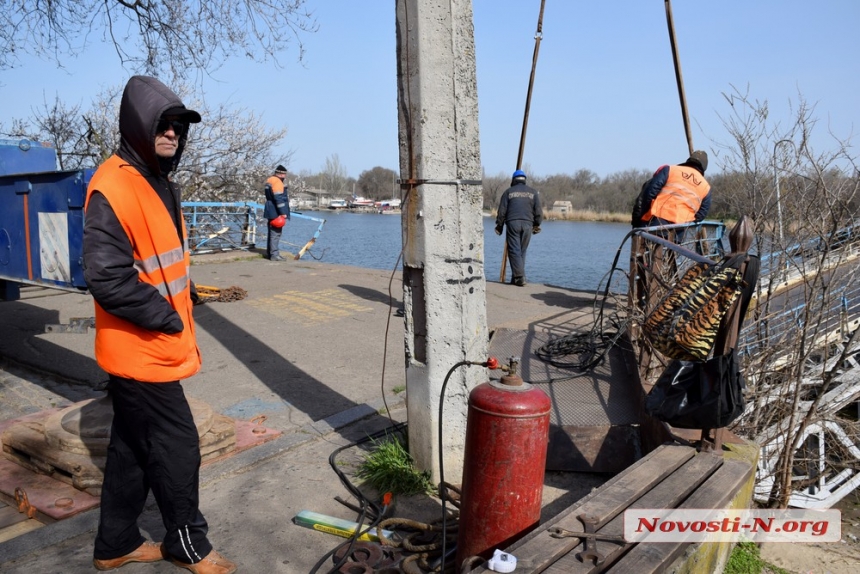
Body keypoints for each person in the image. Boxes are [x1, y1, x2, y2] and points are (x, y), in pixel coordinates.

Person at [83, 75, 236, 574]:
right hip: (141, 348)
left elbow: (157, 261)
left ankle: (115, 543)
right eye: (162, 125)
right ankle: (187, 545)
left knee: (131, 450)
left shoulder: (157, 180)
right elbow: (105, 276)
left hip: (156, 344)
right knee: (176, 447)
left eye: (178, 127)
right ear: (136, 127)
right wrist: (166, 316)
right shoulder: (113, 184)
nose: (172, 134)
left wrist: (182, 295)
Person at [631, 149, 712, 235]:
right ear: (704, 167)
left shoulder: (670, 169)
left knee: (653, 246)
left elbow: (649, 193)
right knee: (673, 247)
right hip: (680, 227)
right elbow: (701, 214)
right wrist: (687, 220)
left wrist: (640, 216)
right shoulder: (706, 187)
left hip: (658, 220)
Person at [495, 169, 542, 286]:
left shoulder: (508, 192)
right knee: (521, 251)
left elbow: (502, 211)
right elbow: (539, 212)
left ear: (513, 180)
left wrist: (499, 226)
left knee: (514, 250)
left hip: (512, 223)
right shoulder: (533, 193)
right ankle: (517, 278)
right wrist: (537, 224)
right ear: (524, 180)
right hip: (528, 224)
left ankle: (519, 277)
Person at [263, 165, 291, 260]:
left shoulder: (270, 179)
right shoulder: (277, 182)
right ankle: (274, 255)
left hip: (269, 208)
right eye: (284, 174)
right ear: (281, 174)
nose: (285, 176)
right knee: (275, 233)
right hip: (276, 210)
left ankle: (270, 253)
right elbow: (278, 198)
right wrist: (283, 212)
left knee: (271, 233)